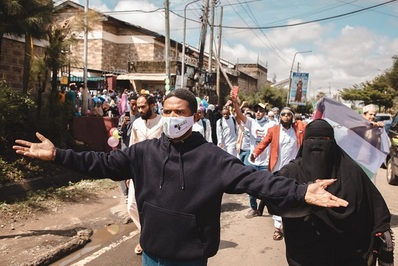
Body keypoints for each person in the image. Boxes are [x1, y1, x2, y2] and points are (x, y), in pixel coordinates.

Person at [13, 89, 348, 266]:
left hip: (189, 259)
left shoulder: (214, 159)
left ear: (195, 116)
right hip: (151, 254)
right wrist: (58, 155)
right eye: (168, 112)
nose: (172, 118)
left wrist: (302, 191)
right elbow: (101, 164)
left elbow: (257, 180)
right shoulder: (143, 152)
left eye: (179, 112)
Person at [273, 119, 393, 266]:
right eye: (311, 139)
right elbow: (273, 190)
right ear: (304, 142)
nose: (317, 145)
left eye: (324, 139)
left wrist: (381, 235)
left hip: (347, 254)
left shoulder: (351, 171)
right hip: (305, 253)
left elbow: (375, 206)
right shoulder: (291, 172)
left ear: (333, 142)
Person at [250, 107, 306, 241]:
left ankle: (293, 224)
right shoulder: (273, 130)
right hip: (277, 169)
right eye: (283, 114)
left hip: (294, 170)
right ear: (280, 117)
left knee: (293, 197)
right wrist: (255, 153)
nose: (286, 116)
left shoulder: (299, 129)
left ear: (292, 117)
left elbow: (310, 126)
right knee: (278, 197)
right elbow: (263, 143)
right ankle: (278, 228)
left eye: (288, 114)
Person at [231, 95, 278, 218]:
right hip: (253, 161)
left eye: (261, 111)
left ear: (265, 113)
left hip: (266, 162)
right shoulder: (251, 122)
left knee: (266, 187)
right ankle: (253, 208)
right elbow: (239, 114)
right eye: (256, 110)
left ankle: (266, 208)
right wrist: (235, 102)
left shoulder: (272, 124)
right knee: (250, 186)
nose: (258, 113)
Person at [128, 94, 163, 255]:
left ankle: (149, 239)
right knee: (132, 206)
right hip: (138, 170)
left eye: (143, 106)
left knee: (155, 206)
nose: (139, 109)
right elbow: (131, 147)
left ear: (152, 105)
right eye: (138, 106)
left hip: (158, 170)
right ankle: (145, 234)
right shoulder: (136, 124)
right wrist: (128, 172)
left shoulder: (163, 122)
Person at [117, 94, 140, 204]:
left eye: (136, 105)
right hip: (126, 148)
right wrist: (123, 124)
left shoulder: (140, 117)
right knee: (124, 171)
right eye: (132, 104)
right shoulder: (123, 117)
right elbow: (119, 134)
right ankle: (126, 194)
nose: (134, 107)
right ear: (129, 104)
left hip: (136, 148)